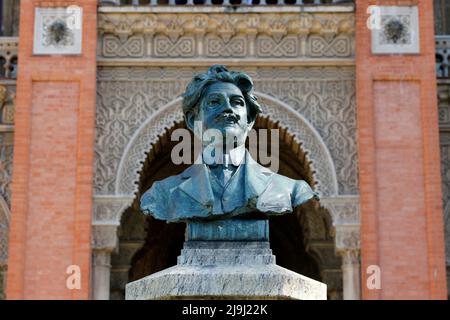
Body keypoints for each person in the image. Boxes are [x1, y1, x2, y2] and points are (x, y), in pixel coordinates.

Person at [140, 65, 319, 223]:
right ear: (193, 120)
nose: (227, 108)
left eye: (237, 102)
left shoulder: (290, 189)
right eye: (214, 102)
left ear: (249, 120)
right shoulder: (163, 193)